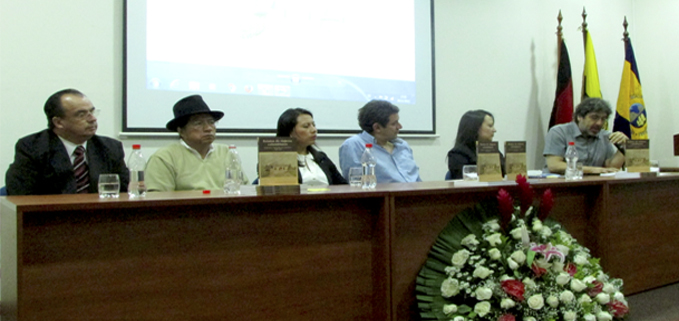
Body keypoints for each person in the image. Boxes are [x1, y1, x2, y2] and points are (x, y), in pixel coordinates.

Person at [5, 89, 129, 195]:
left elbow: (124, 191)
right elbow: (20, 193)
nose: (92, 119)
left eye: (91, 112)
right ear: (58, 122)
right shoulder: (32, 147)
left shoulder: (110, 147)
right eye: (81, 114)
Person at [145, 95, 248, 191]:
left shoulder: (226, 152)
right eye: (198, 123)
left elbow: (244, 189)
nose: (208, 128)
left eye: (211, 122)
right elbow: (158, 199)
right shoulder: (164, 158)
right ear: (181, 131)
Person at [339, 100, 421, 183]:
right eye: (394, 124)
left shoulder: (402, 145)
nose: (400, 127)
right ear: (377, 127)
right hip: (383, 195)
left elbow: (416, 179)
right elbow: (355, 183)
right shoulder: (354, 145)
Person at [543, 98, 627, 174]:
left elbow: (611, 167)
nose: (599, 123)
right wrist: (593, 170)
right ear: (579, 117)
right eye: (594, 117)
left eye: (603, 119)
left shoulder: (604, 136)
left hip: (593, 187)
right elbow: (554, 165)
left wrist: (623, 146)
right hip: (561, 186)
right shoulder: (559, 132)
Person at [275, 108, 347, 185]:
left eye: (314, 125)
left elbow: (342, 185)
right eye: (306, 126)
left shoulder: (321, 158)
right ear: (290, 132)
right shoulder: (276, 161)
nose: (314, 130)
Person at [446, 110, 505, 180]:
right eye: (490, 126)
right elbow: (464, 181)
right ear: (475, 128)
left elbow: (505, 173)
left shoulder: (492, 150)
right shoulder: (457, 154)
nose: (494, 130)